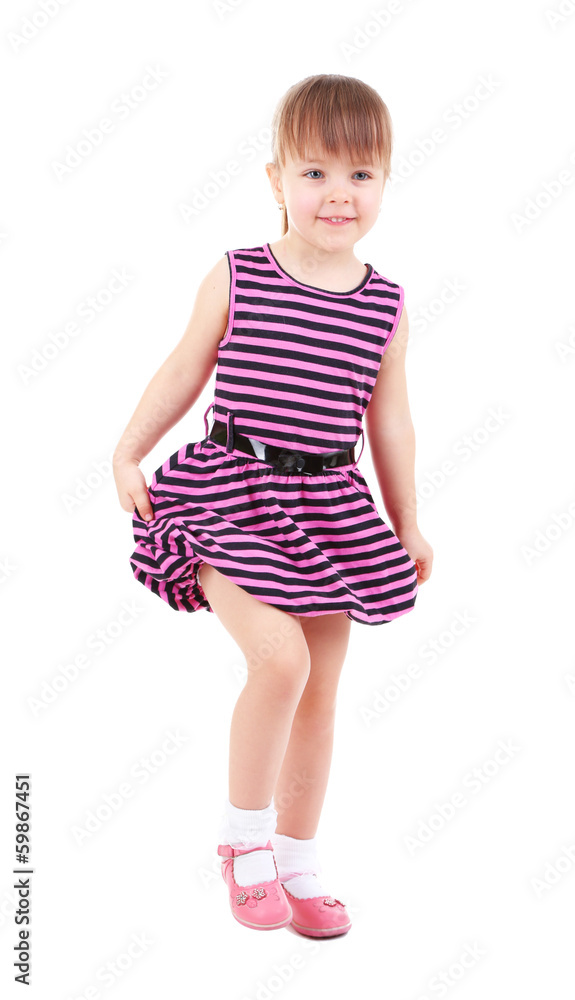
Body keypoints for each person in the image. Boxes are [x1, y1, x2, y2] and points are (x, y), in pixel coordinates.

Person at [113, 73, 433, 938]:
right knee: (279, 661)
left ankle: (297, 861)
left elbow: (390, 422)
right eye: (315, 172)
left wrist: (407, 520)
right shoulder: (238, 273)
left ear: (385, 181)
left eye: (360, 174)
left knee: (320, 691)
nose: (338, 194)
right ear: (275, 180)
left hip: (326, 508)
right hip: (227, 496)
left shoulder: (385, 304)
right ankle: (243, 843)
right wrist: (128, 450)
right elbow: (184, 367)